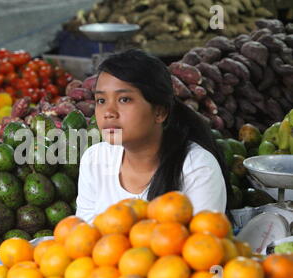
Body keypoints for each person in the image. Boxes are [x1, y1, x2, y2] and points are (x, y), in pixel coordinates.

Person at [76, 49, 232, 224]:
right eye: (101, 101)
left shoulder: (197, 169)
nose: (108, 113)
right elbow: (84, 238)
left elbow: (200, 244)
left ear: (159, 112)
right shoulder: (94, 159)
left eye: (124, 99)